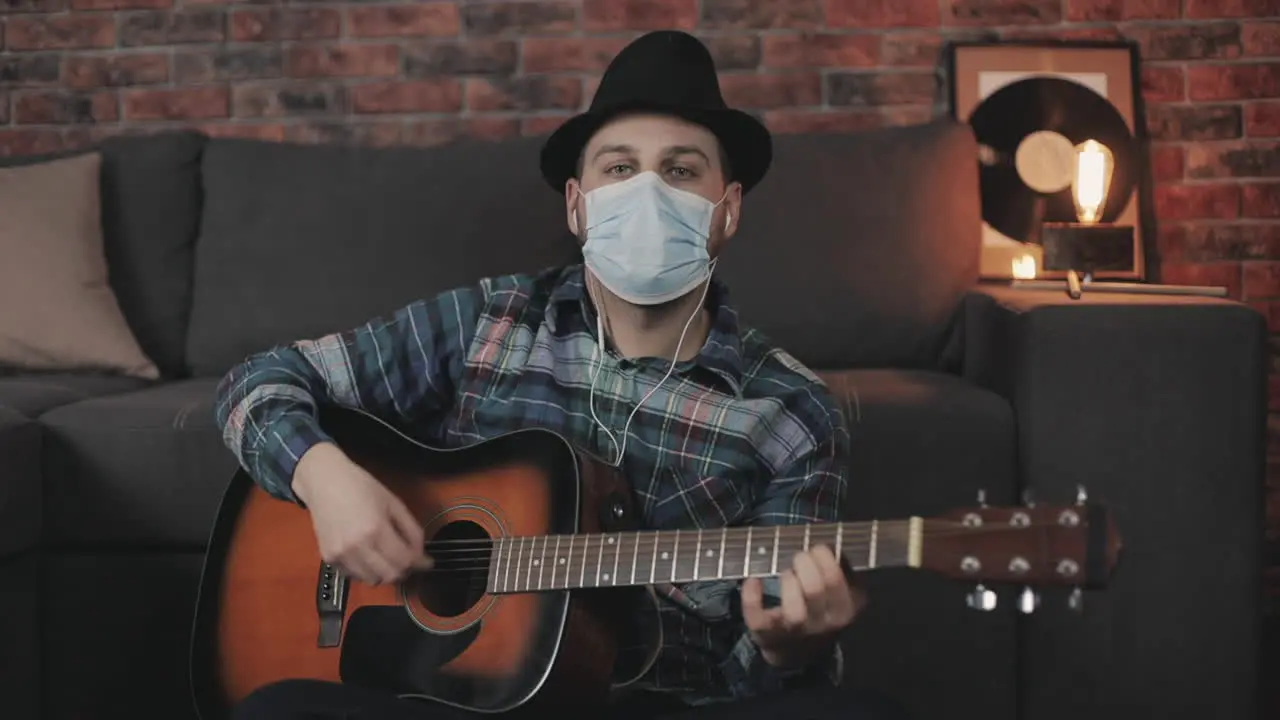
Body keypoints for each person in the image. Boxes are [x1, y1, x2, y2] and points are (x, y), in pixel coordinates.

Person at [214, 30, 908, 720]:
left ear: (726, 211)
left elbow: (757, 672)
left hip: (663, 704)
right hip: (453, 699)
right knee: (277, 710)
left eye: (680, 170)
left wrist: (788, 649)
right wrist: (328, 480)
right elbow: (259, 383)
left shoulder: (791, 414)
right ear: (577, 205)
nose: (648, 192)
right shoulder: (489, 319)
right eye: (619, 168)